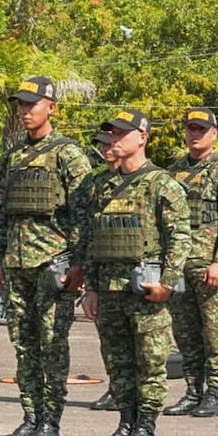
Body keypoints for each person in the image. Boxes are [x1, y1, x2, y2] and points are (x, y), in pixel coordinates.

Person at [81, 109, 190, 436]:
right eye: (111, 133)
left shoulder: (161, 184)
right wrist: (91, 288)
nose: (114, 139)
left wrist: (167, 284)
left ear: (142, 137)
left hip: (145, 290)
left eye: (121, 133)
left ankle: (145, 429)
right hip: (109, 290)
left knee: (150, 363)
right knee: (118, 363)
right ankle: (125, 423)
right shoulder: (102, 185)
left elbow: (180, 237)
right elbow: (93, 240)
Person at [0, 76, 91, 436]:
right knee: (23, 345)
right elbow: (4, 214)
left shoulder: (68, 154)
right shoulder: (13, 156)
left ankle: (50, 422)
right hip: (17, 264)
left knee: (52, 345)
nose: (25, 110)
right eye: (21, 104)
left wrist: (79, 264)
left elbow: (83, 214)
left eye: (32, 104)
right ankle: (30, 417)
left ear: (51, 107)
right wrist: (0, 259)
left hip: (53, 265)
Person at [164, 108, 218, 418]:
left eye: (201, 129)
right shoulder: (173, 172)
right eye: (191, 129)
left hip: (209, 265)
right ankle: (193, 389)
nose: (195, 134)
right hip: (179, 266)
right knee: (185, 333)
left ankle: (214, 392)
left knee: (213, 332)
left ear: (214, 133)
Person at [80, 125, 121, 413]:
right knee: (108, 337)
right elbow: (86, 227)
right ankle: (116, 387)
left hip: (132, 271)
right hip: (102, 268)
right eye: (102, 144)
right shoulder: (94, 182)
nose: (107, 148)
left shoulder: (142, 178)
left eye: (110, 143)